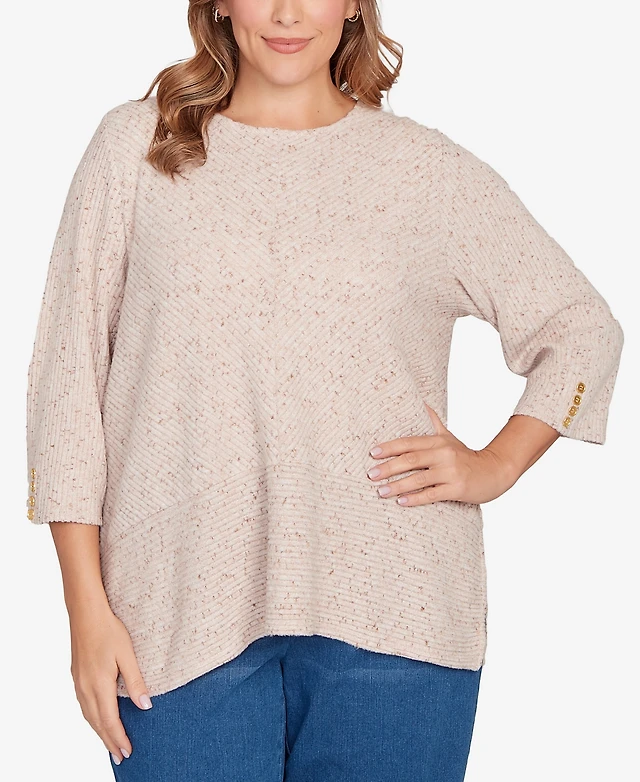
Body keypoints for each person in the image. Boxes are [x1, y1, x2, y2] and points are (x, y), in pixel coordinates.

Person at [25, 1, 624, 781]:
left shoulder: (424, 172)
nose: (287, 13)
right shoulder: (136, 150)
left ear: (353, 6)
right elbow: (67, 385)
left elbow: (582, 328)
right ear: (219, 4)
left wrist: (497, 463)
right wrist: (84, 607)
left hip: (397, 616)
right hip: (172, 613)